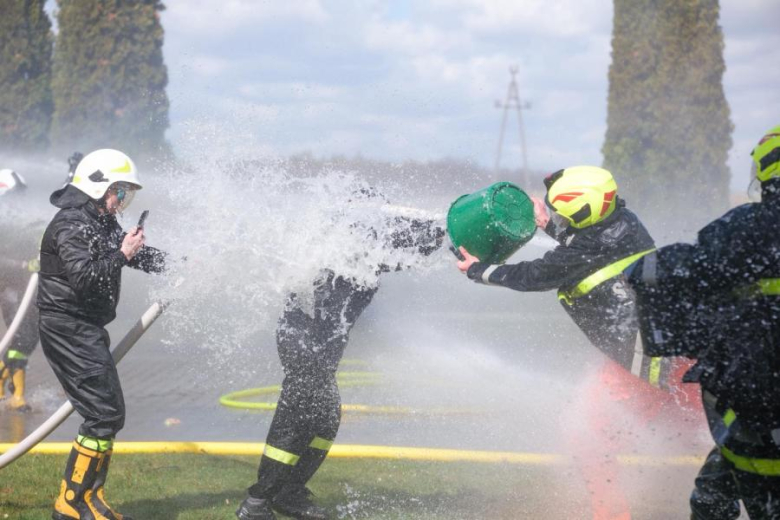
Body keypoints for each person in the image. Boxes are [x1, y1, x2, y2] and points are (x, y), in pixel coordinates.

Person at [455, 166, 705, 520]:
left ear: (583, 213)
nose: (559, 218)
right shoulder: (626, 221)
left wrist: (478, 270)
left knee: (587, 438)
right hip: (682, 351)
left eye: (563, 214)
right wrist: (547, 224)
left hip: (640, 365)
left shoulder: (577, 255)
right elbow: (588, 243)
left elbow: (532, 276)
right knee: (726, 432)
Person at [236, 192, 444, 520]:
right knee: (298, 418)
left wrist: (448, 228)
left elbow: (415, 249)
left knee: (327, 418)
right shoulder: (339, 245)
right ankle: (257, 501)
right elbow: (397, 246)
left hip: (324, 352)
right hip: (301, 344)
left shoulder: (371, 251)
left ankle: (289, 493)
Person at [627, 125, 780, 519]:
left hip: (758, 408)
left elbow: (688, 267)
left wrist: (644, 269)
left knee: (727, 499)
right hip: (755, 405)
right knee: (712, 496)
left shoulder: (748, 227)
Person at [38, 149, 166, 520]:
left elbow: (134, 256)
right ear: (99, 186)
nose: (124, 202)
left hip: (85, 328)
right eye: (121, 192)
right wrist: (123, 254)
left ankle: (90, 498)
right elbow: (85, 277)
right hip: (67, 328)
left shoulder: (98, 220)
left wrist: (182, 266)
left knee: (107, 415)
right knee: (103, 415)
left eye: (129, 195)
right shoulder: (70, 224)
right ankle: (70, 502)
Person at [0, 169, 41, 412]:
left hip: (28, 288)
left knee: (28, 337)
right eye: (17, 195)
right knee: (19, 338)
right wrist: (24, 265)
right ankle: (18, 396)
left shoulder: (19, 220)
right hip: (9, 290)